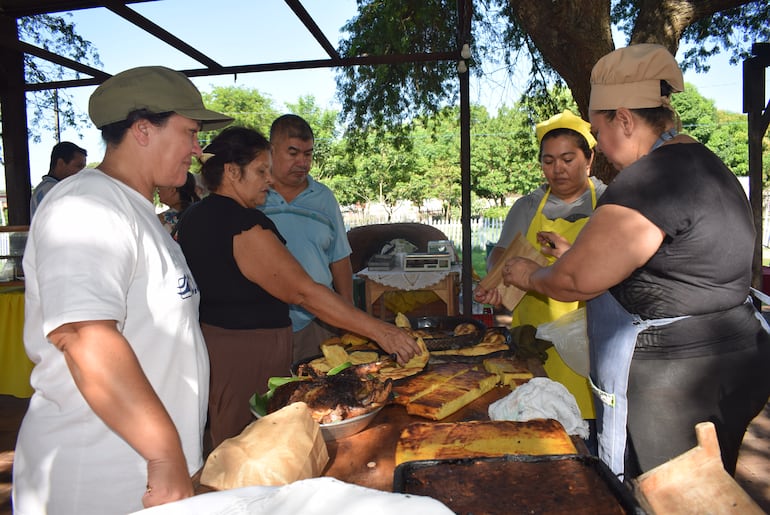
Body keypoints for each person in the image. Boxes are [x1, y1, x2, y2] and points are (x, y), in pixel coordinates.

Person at [498, 44, 770, 480]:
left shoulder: (650, 179)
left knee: (661, 493)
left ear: (623, 119)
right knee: (708, 489)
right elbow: (672, 263)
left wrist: (531, 273)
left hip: (674, 383)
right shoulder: (703, 163)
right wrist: (576, 256)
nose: (600, 146)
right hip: (732, 360)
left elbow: (574, 282)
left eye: (598, 131)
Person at [12, 66, 233, 514]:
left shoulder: (134, 211)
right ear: (143, 129)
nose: (198, 149)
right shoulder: (86, 206)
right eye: (190, 132)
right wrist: (164, 454)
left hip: (142, 471)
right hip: (97, 477)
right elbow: (82, 335)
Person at [176, 126, 421, 447]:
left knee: (229, 439)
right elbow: (303, 291)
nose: (270, 179)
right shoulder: (244, 224)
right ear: (232, 172)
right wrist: (381, 331)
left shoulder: (193, 216)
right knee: (258, 445)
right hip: (250, 354)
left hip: (214, 343)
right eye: (261, 171)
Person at [475, 109, 605, 423]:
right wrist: (496, 283)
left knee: (588, 425)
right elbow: (500, 255)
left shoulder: (609, 205)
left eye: (567, 159)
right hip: (535, 342)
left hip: (587, 341)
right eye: (548, 161)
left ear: (589, 160)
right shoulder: (528, 206)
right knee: (542, 423)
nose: (557, 169)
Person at [258, 114, 354, 363]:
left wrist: (348, 316)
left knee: (321, 394)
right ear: (271, 151)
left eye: (308, 154)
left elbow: (340, 260)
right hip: (263, 321)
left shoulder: (324, 199)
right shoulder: (254, 195)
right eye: (293, 153)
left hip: (319, 320)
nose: (302, 162)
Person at [30, 141, 88, 217]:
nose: (82, 172)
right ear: (61, 163)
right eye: (78, 166)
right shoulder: (51, 190)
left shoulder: (46, 189)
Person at [157, 171, 201, 236]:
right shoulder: (200, 213)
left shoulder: (160, 220)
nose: (158, 190)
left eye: (161, 186)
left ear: (172, 190)